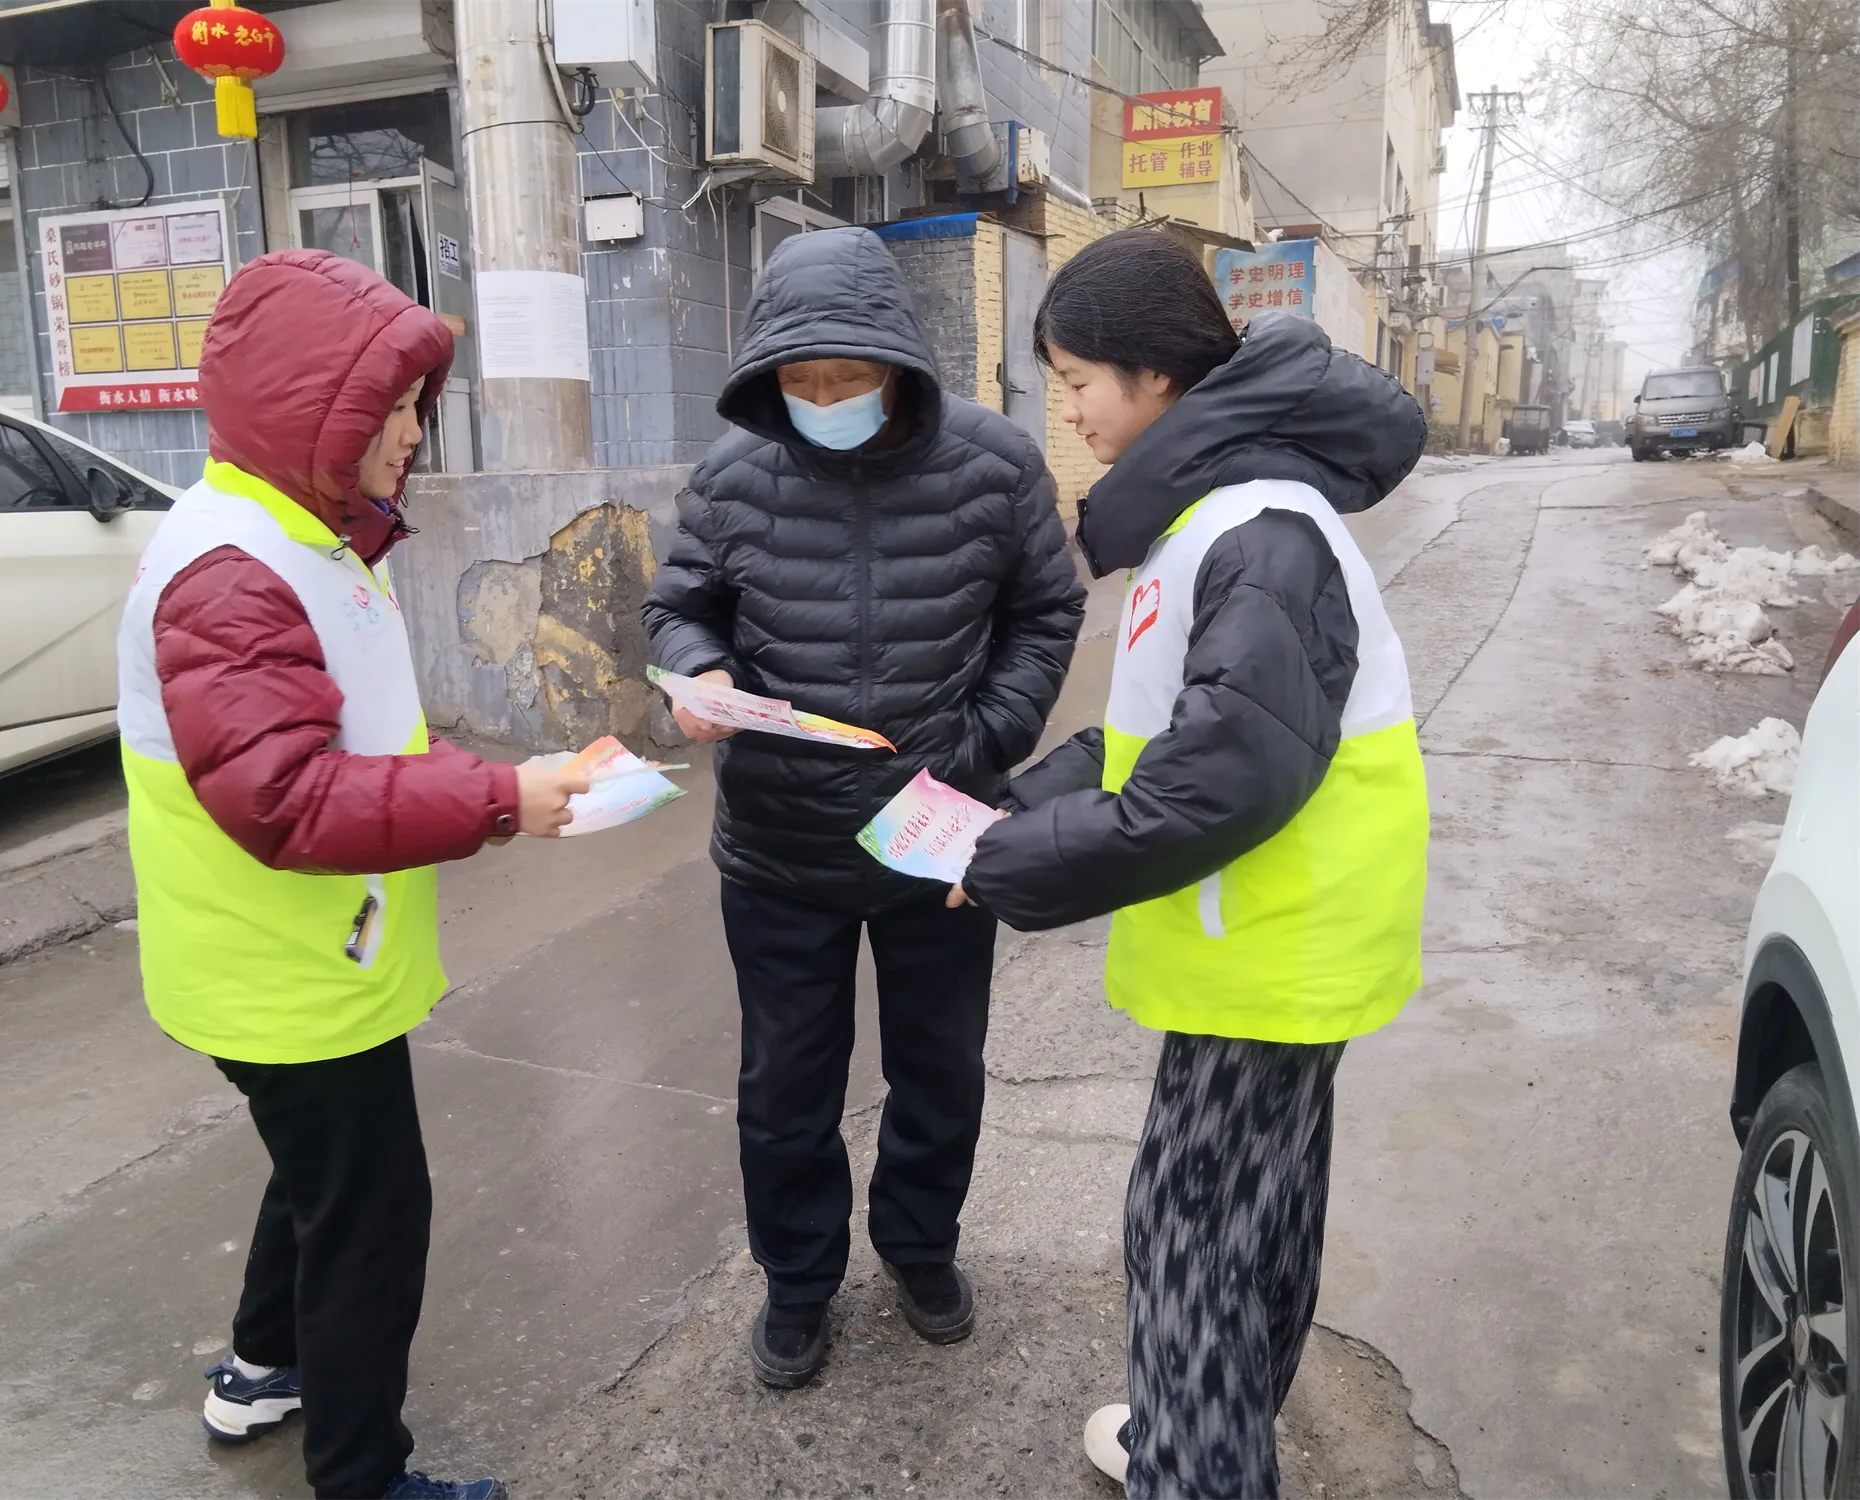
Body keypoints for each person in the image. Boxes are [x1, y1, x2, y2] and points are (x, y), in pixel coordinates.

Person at [956, 228, 1430, 1499]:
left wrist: (1013, 866)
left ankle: (1198, 1463)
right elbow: (1150, 738)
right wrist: (1005, 809)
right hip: (1276, 943)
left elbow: (1220, 776)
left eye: (1077, 382)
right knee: (1253, 1220)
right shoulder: (1222, 514)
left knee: (1189, 1237)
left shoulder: (1254, 529)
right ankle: (1204, 1438)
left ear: (1156, 376)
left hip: (1267, 948)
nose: (1067, 413)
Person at [117, 248, 588, 1500]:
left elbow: (347, 737)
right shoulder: (234, 572)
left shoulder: (295, 531)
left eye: (417, 402)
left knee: (317, 1177)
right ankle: (361, 1476)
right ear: (307, 412)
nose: (412, 431)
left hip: (303, 961)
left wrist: (488, 786)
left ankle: (262, 1369)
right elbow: (283, 794)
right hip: (285, 975)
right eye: (386, 407)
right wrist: (501, 799)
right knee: (372, 1216)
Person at [643, 226, 1086, 1388]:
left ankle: (920, 1248)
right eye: (803, 380)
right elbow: (678, 606)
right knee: (784, 1088)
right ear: (768, 375)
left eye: (848, 376)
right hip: (777, 848)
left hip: (938, 837)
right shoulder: (732, 475)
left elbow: (1045, 612)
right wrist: (698, 671)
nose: (827, 398)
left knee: (938, 1070)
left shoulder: (993, 464)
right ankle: (796, 1282)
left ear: (897, 361)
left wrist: (981, 743)